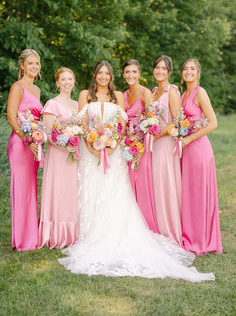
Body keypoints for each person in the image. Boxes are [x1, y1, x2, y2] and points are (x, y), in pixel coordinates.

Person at [58, 60, 214, 282]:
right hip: (90, 150)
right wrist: (92, 144)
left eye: (107, 73)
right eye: (100, 73)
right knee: (90, 189)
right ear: (95, 75)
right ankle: (88, 233)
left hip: (116, 150)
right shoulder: (85, 94)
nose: (103, 76)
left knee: (115, 193)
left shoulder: (118, 96)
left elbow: (121, 125)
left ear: (112, 77)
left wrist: (113, 142)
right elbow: (83, 123)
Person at [180, 58, 222, 255]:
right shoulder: (182, 94)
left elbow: (213, 123)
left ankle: (201, 239)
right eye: (185, 69)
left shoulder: (200, 92)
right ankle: (189, 234)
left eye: (192, 69)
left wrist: (188, 140)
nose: (188, 72)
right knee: (188, 193)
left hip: (198, 150)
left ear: (198, 73)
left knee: (198, 193)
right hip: (185, 151)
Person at [38, 67, 79, 249]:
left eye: (70, 79)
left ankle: (72, 233)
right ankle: (55, 233)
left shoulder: (78, 105)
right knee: (59, 190)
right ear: (57, 83)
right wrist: (64, 145)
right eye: (63, 79)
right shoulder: (51, 104)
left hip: (74, 154)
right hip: (58, 155)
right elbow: (48, 133)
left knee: (72, 192)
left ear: (74, 82)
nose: (67, 82)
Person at [7, 49, 43, 251]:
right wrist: (25, 137)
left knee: (31, 189)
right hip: (21, 145)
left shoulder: (36, 89)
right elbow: (11, 115)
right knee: (20, 189)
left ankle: (31, 236)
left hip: (34, 145)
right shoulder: (17, 87)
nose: (34, 67)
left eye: (37, 63)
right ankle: (21, 240)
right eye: (30, 63)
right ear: (22, 66)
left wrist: (37, 139)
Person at [123, 59, 158, 233]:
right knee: (129, 185)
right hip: (128, 146)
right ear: (123, 75)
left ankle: (148, 227)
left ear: (139, 74)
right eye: (127, 72)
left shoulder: (145, 93)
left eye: (134, 72)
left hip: (143, 147)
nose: (131, 75)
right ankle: (132, 227)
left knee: (143, 185)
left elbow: (152, 123)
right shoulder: (123, 95)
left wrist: (142, 149)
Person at [151, 55, 183, 246]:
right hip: (152, 144)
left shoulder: (172, 92)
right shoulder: (154, 91)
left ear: (169, 72)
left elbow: (178, 122)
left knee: (165, 184)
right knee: (155, 185)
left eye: (164, 68)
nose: (160, 71)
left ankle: (169, 229)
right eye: (157, 68)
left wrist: (157, 134)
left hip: (164, 143)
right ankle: (157, 226)